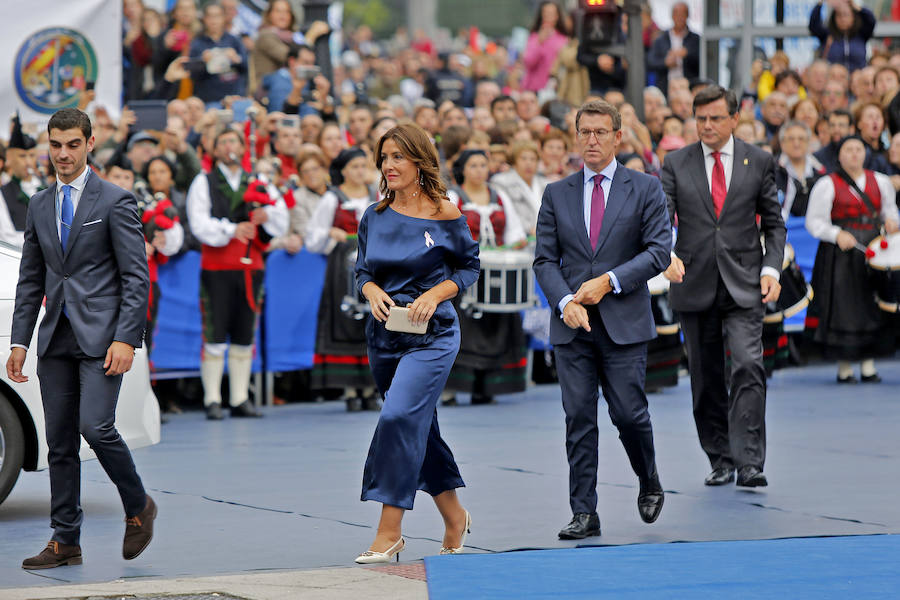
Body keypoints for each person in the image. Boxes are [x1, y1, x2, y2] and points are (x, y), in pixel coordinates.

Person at [7, 108, 157, 569]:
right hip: (56, 339)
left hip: (104, 338)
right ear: (47, 146)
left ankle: (139, 506)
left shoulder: (116, 200)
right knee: (58, 444)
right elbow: (31, 279)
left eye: (73, 144)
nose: (63, 154)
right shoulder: (38, 204)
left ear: (90, 144)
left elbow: (137, 278)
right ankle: (65, 540)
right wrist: (19, 342)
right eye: (56, 145)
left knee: (96, 427)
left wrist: (126, 339)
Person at [533, 100, 670, 540]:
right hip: (571, 325)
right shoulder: (557, 193)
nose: (592, 140)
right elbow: (544, 261)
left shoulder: (645, 188)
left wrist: (608, 281)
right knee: (578, 417)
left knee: (629, 414)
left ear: (617, 137)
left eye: (600, 132)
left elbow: (658, 252)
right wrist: (564, 303)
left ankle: (648, 478)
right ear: (576, 137)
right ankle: (584, 511)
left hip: (624, 321)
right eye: (584, 132)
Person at [354, 123, 479, 562]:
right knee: (418, 426)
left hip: (434, 335)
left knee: (397, 417)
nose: (389, 165)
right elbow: (362, 272)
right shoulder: (373, 215)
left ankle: (389, 531)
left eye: (398, 157)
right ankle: (454, 515)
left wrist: (435, 293)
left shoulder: (444, 212)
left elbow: (468, 268)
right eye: (384, 157)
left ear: (419, 161)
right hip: (384, 337)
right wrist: (370, 292)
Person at [661, 85, 786, 489]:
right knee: (705, 376)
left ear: (735, 118)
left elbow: (774, 224)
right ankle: (720, 458)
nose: (708, 126)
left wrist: (772, 269)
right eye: (701, 119)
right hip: (693, 282)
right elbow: (661, 219)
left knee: (749, 364)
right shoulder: (676, 162)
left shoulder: (759, 160)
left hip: (746, 282)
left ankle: (749, 461)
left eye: (716, 118)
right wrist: (664, 253)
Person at [186, 127, 289, 420]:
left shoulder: (259, 181)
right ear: (214, 149)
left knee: (245, 333)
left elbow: (281, 217)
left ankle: (240, 397)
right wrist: (233, 229)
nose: (229, 145)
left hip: (251, 268)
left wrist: (266, 216)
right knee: (215, 332)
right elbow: (199, 224)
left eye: (234, 141)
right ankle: (212, 398)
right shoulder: (203, 181)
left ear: (243, 148)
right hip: (217, 268)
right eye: (223, 141)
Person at [804, 135, 900, 381]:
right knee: (844, 308)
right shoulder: (827, 184)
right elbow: (814, 222)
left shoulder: (880, 182)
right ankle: (845, 366)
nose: (855, 154)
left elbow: (890, 211)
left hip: (875, 250)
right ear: (840, 155)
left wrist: (891, 222)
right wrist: (836, 234)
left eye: (859, 149)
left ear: (865, 154)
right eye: (849, 150)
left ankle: (869, 365)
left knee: (872, 305)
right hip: (842, 254)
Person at [445, 149, 528, 405]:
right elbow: (444, 232)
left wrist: (515, 243)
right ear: (462, 169)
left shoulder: (499, 195)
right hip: (463, 272)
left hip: (494, 273)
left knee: (496, 326)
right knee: (465, 327)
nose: (480, 170)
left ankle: (488, 386)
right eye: (473, 165)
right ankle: (454, 387)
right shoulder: (452, 197)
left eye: (483, 165)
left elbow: (514, 231)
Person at [305, 147, 379, 411]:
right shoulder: (332, 198)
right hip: (341, 267)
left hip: (374, 265)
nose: (360, 172)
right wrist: (330, 232)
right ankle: (349, 389)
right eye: (355, 167)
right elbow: (313, 237)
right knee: (346, 321)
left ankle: (371, 388)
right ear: (344, 171)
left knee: (374, 321)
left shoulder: (378, 196)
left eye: (363, 166)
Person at [1, 114, 45, 246]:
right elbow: (7, 238)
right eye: (21, 156)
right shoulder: (3, 194)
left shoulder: (48, 188)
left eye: (31, 155)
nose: (27, 162)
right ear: (9, 157)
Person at [490, 140, 549, 236]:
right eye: (523, 159)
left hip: (546, 236)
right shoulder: (501, 182)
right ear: (514, 161)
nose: (528, 163)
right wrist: (530, 230)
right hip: (518, 238)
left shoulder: (546, 184)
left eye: (533, 159)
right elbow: (505, 214)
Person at [647, 2, 700, 97]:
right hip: (665, 89)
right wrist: (665, 63)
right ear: (672, 16)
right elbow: (651, 61)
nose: (679, 17)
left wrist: (687, 54)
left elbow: (705, 61)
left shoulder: (695, 39)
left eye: (682, 14)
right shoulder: (661, 39)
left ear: (687, 16)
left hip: (689, 88)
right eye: (676, 14)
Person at [809, 0, 875, 74]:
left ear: (853, 17)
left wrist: (855, 6)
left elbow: (871, 20)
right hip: (834, 79)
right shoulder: (827, 35)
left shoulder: (861, 35)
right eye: (839, 15)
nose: (843, 19)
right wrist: (820, 3)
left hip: (857, 79)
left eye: (846, 15)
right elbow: (813, 24)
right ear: (834, 18)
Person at [522, 2, 570, 93]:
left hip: (556, 88)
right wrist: (539, 42)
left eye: (552, 13)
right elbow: (528, 63)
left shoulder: (564, 40)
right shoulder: (534, 37)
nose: (548, 16)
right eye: (546, 13)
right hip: (533, 88)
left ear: (557, 16)